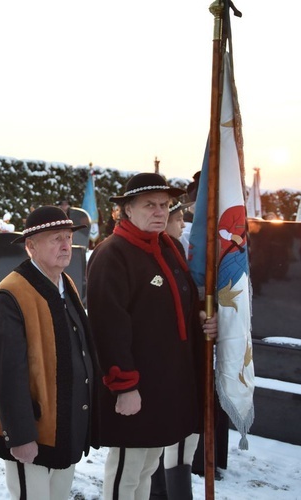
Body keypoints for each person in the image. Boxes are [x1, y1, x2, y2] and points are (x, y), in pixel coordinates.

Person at [86, 173, 217, 500]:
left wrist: (200, 316)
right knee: (127, 472)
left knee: (147, 468)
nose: (160, 212)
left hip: (166, 387)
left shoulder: (169, 246)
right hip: (135, 388)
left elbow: (181, 302)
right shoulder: (111, 255)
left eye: (164, 205)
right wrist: (124, 386)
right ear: (127, 210)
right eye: (150, 205)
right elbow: (108, 327)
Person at [0, 205, 96, 500]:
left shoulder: (65, 282)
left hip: (64, 426)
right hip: (33, 429)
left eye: (67, 237)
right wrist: (20, 436)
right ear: (31, 246)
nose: (65, 245)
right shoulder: (12, 293)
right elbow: (7, 372)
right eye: (55, 238)